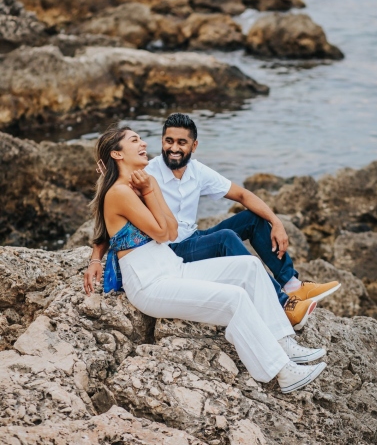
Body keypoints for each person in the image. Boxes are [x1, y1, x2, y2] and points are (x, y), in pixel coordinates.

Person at [84, 124, 327, 393]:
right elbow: (163, 233)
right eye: (134, 140)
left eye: (141, 138)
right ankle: (282, 371)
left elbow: (173, 229)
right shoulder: (120, 192)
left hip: (172, 267)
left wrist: (149, 187)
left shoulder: (142, 181)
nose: (143, 143)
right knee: (235, 298)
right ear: (118, 154)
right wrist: (149, 191)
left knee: (249, 266)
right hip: (149, 283)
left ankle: (283, 341)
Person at [141, 113, 340, 329]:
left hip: (192, 239)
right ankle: (281, 306)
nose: (174, 148)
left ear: (194, 145)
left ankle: (293, 285)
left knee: (253, 219)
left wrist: (276, 222)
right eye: (169, 141)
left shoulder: (197, 171)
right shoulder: (147, 172)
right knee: (225, 238)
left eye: (182, 142)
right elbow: (114, 201)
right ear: (162, 141)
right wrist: (97, 258)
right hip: (170, 250)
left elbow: (243, 196)